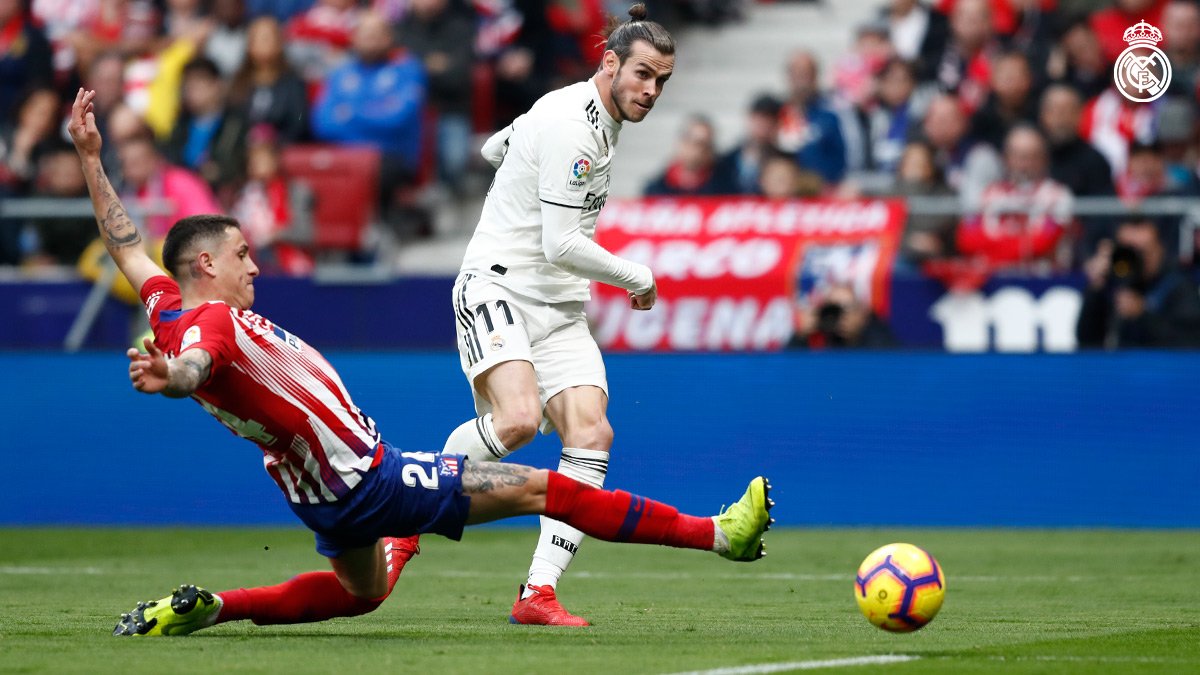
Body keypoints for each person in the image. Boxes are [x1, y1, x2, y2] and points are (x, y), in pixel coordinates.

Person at [66, 87, 774, 637]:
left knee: (362, 594)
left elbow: (128, 245)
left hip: (317, 493)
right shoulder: (211, 321)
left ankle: (216, 606)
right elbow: (198, 363)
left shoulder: (167, 308)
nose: (254, 266)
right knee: (545, 486)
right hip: (370, 476)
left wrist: (92, 158)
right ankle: (719, 536)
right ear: (205, 263)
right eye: (241, 255)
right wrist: (174, 379)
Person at [441, 3, 677, 627]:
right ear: (610, 63)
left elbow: (497, 145)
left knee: (591, 435)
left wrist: (524, 155)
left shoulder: (581, 110)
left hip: (559, 306)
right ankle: (415, 507)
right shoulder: (574, 124)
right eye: (643, 75)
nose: (651, 91)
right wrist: (639, 277)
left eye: (661, 82)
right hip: (502, 286)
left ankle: (537, 593)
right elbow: (560, 244)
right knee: (517, 422)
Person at [1077, 218, 1200, 349]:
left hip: (1160, 366)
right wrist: (1096, 289)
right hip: (1120, 366)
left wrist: (1142, 315)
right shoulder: (1113, 284)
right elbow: (1086, 341)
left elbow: (1190, 341)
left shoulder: (1178, 286)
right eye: (1129, 251)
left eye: (1142, 252)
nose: (1136, 259)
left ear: (1160, 249)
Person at [643, 114, 721, 196]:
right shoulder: (656, 189)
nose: (701, 150)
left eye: (707, 145)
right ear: (682, 142)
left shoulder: (723, 186)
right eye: (697, 143)